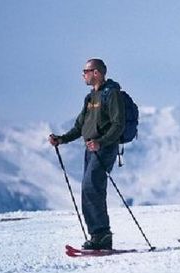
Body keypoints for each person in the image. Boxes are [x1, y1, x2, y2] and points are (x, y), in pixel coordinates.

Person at [49, 58, 125, 250]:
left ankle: (102, 234)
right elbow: (80, 126)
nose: (83, 75)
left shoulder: (112, 94)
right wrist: (61, 139)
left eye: (86, 71)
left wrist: (101, 142)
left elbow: (118, 124)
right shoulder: (90, 97)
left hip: (104, 148)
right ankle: (98, 235)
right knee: (88, 188)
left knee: (92, 187)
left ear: (96, 73)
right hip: (90, 148)